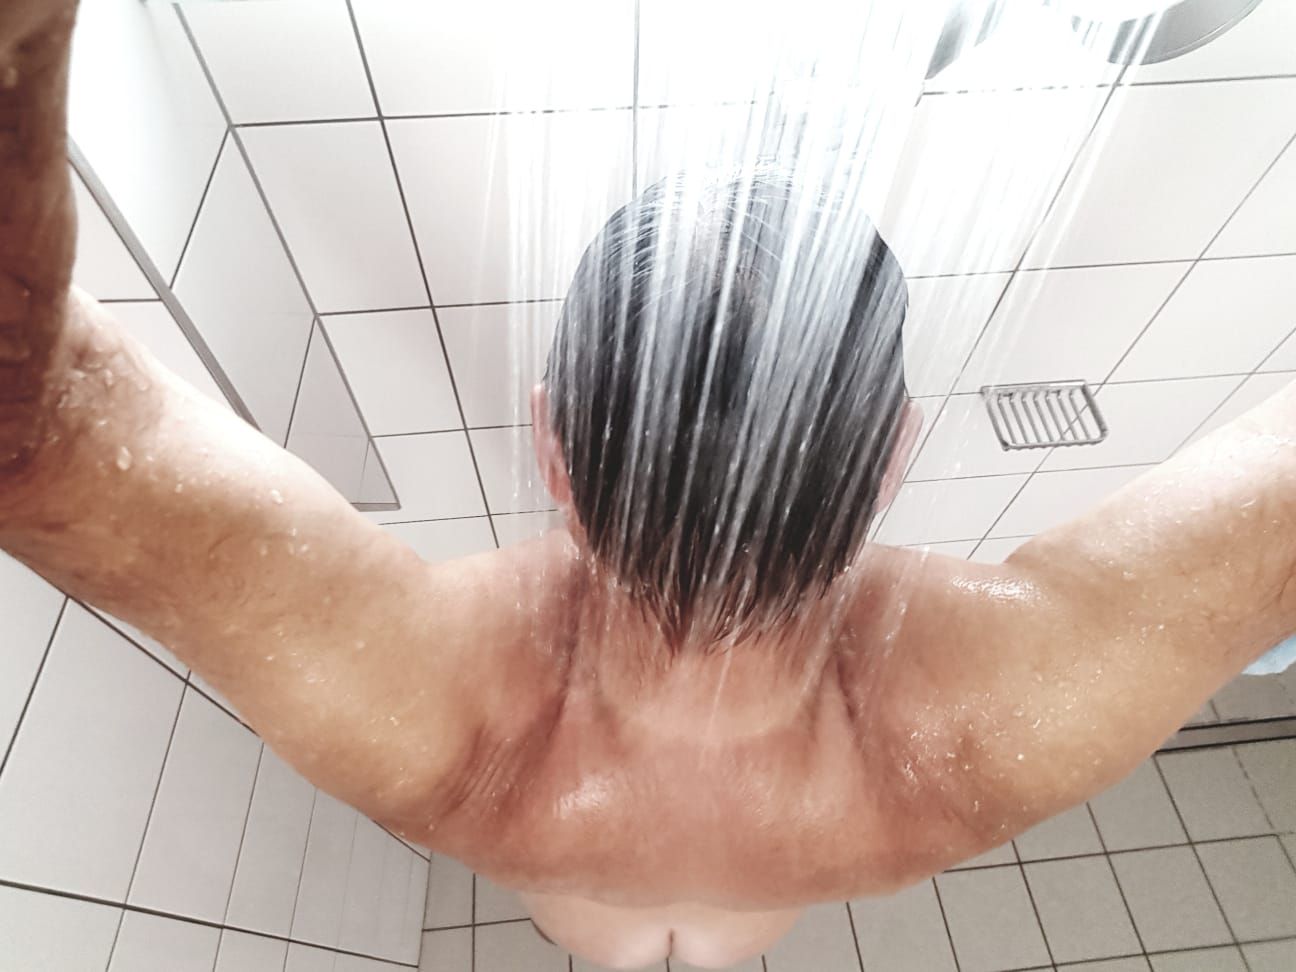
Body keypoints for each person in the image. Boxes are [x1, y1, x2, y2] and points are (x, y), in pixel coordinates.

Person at [2, 5, 1294, 969]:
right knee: (716, 943)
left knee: (617, 943)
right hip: (767, 910)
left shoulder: (443, 722)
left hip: (573, 906)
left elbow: (33, 434)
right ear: (895, 459)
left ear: (551, 450)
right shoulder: (978, 736)